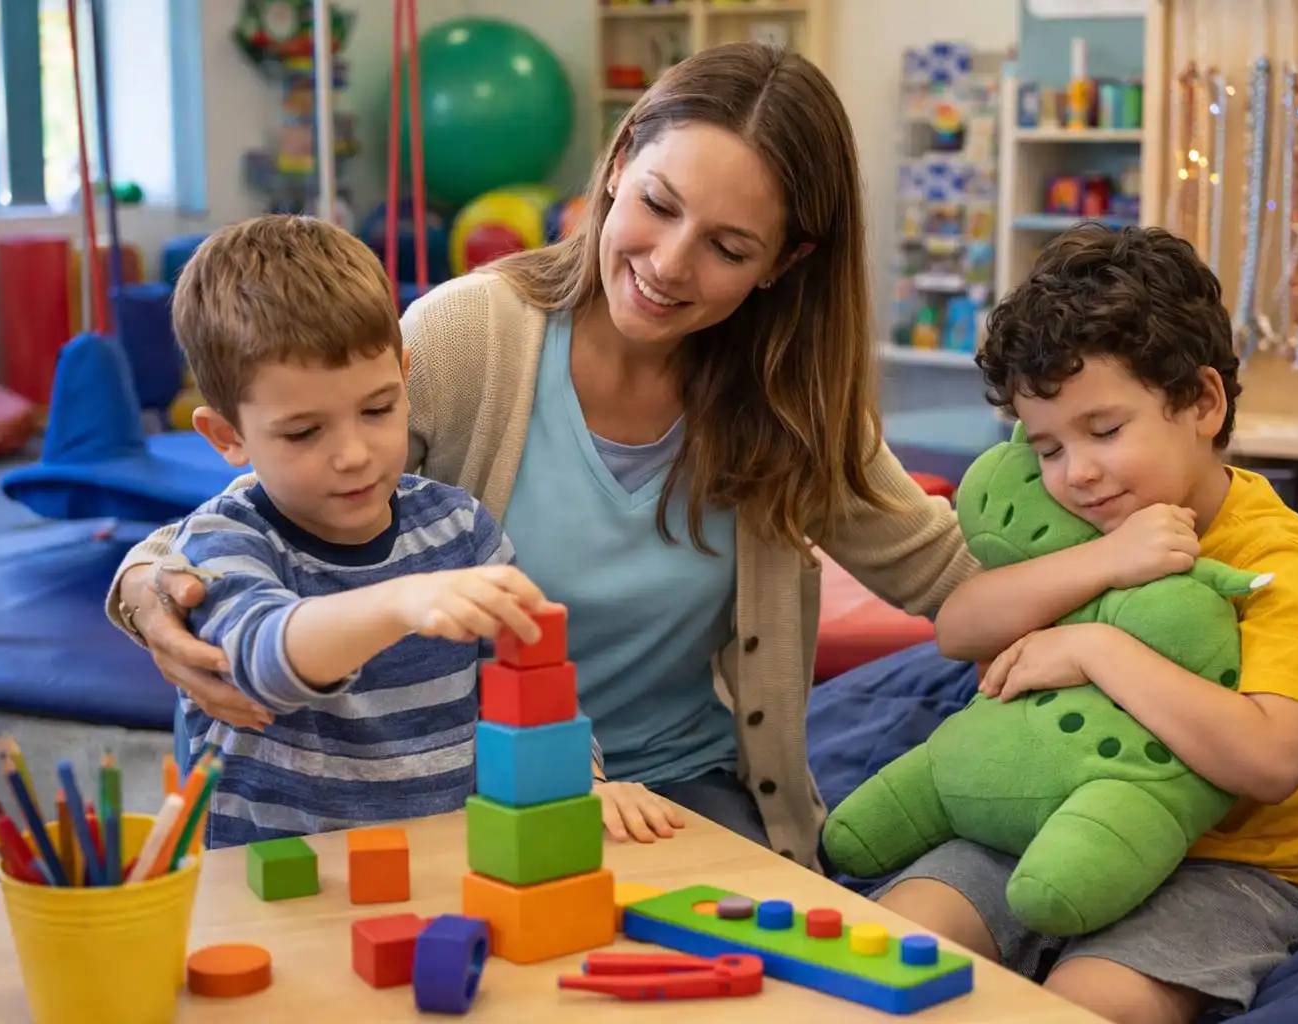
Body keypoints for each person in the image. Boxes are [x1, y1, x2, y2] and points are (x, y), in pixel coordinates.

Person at [104, 41, 981, 867]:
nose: (669, 265)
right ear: (618, 159)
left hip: (673, 784)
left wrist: (1112, 587)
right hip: (457, 786)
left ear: (784, 261)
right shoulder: (469, 336)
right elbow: (258, 506)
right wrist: (150, 596)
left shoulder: (792, 402)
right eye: (659, 205)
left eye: (727, 248)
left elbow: (947, 571)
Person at [873, 225, 1298, 1023]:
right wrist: (1107, 563)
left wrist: (1097, 648)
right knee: (898, 939)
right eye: (1049, 449)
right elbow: (958, 628)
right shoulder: (1086, 530)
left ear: (1202, 402)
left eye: (1104, 431)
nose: (1079, 474)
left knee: (1084, 1004)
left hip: (1231, 865)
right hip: (1048, 818)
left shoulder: (1277, 555)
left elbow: (1273, 759)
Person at [158, 215, 553, 847]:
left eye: (377, 409)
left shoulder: (462, 528)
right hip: (279, 889)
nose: (354, 455)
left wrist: (581, 779)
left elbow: (527, 693)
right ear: (227, 436)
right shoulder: (220, 545)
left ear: (404, 373)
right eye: (304, 431)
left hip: (444, 867)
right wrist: (399, 603)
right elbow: (264, 661)